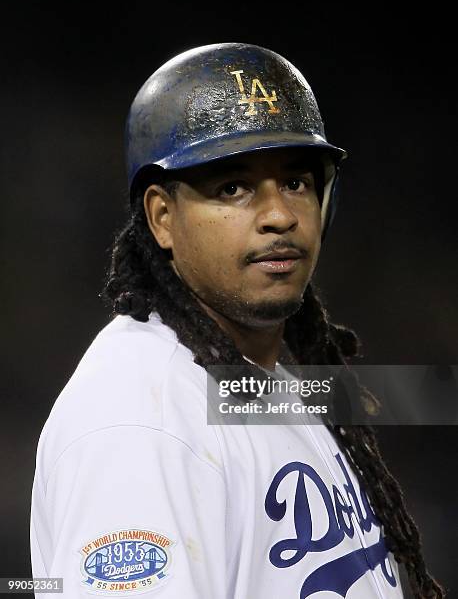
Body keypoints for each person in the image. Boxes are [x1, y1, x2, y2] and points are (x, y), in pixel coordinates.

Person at [30, 43, 444, 598]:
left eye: (296, 182)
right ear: (162, 218)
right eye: (233, 187)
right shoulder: (138, 421)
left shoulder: (273, 380)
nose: (279, 216)